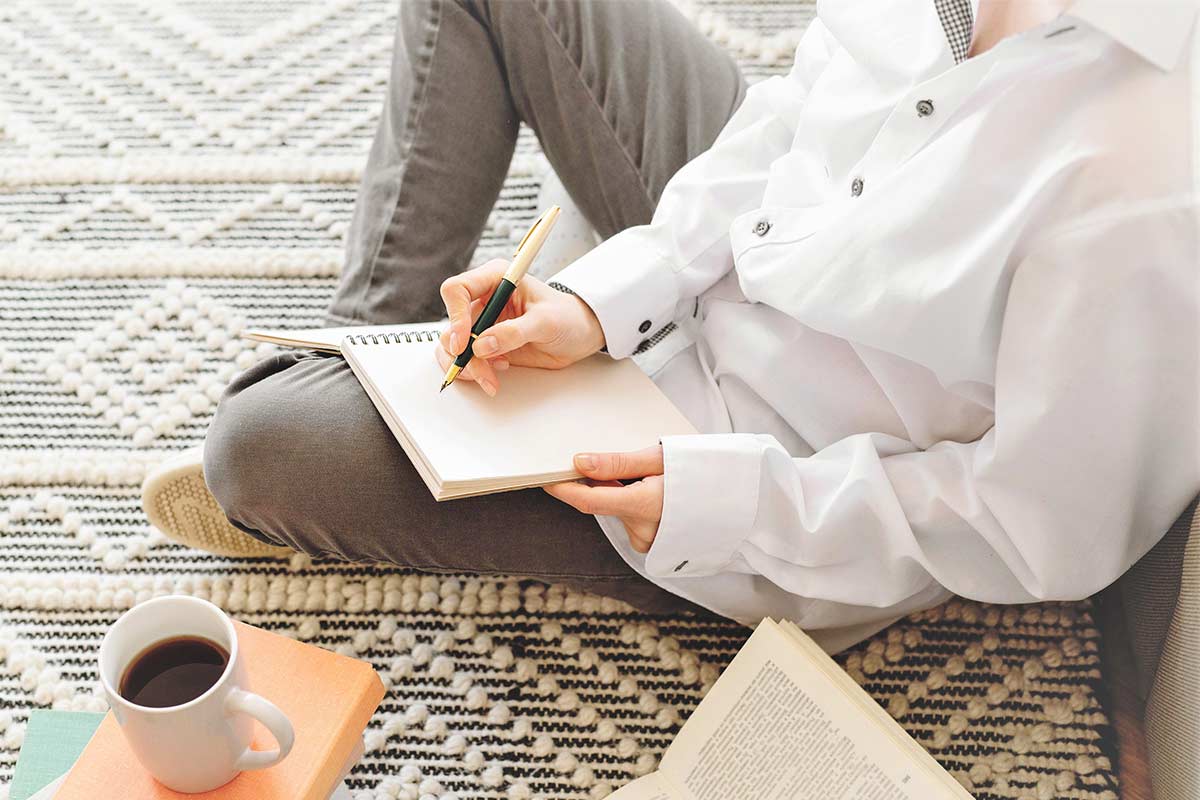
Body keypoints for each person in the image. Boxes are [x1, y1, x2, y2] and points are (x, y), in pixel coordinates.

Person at [143, 0, 1200, 650]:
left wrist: (726, 501)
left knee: (253, 442)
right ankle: (379, 363)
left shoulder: (1144, 174)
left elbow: (1036, 522)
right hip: (749, 261)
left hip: (747, 473)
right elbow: (795, 124)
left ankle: (361, 413)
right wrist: (602, 296)